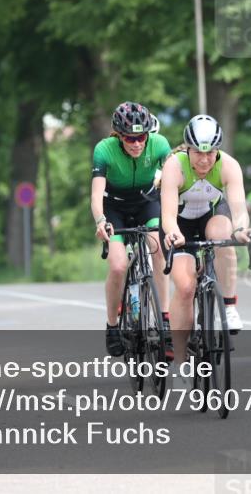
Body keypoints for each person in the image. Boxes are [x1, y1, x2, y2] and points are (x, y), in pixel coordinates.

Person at [161, 115, 251, 381]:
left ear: (218, 151)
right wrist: (173, 234)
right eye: (198, 153)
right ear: (187, 149)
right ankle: (180, 361)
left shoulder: (229, 165)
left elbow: (238, 208)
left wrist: (240, 229)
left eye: (211, 153)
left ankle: (228, 305)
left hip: (211, 217)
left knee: (223, 235)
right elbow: (167, 215)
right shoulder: (174, 166)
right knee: (185, 286)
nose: (204, 160)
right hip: (179, 224)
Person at [92, 101, 172, 357]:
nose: (137, 143)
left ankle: (165, 321)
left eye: (141, 137)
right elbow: (95, 196)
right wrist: (100, 221)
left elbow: (173, 180)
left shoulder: (159, 145)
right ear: (118, 135)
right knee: (117, 266)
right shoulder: (104, 150)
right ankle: (112, 327)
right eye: (130, 138)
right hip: (114, 208)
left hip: (147, 204)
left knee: (159, 250)